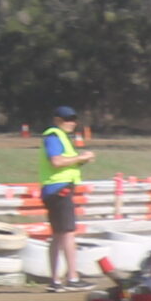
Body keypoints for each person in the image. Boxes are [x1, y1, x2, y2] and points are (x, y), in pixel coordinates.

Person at [38, 106, 94, 289]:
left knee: (57, 235)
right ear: (57, 120)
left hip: (54, 189)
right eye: (66, 119)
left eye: (72, 119)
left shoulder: (60, 137)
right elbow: (56, 161)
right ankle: (72, 278)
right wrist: (81, 157)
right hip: (60, 190)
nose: (70, 123)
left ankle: (54, 280)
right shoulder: (54, 136)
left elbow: (64, 163)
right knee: (68, 233)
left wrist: (80, 160)